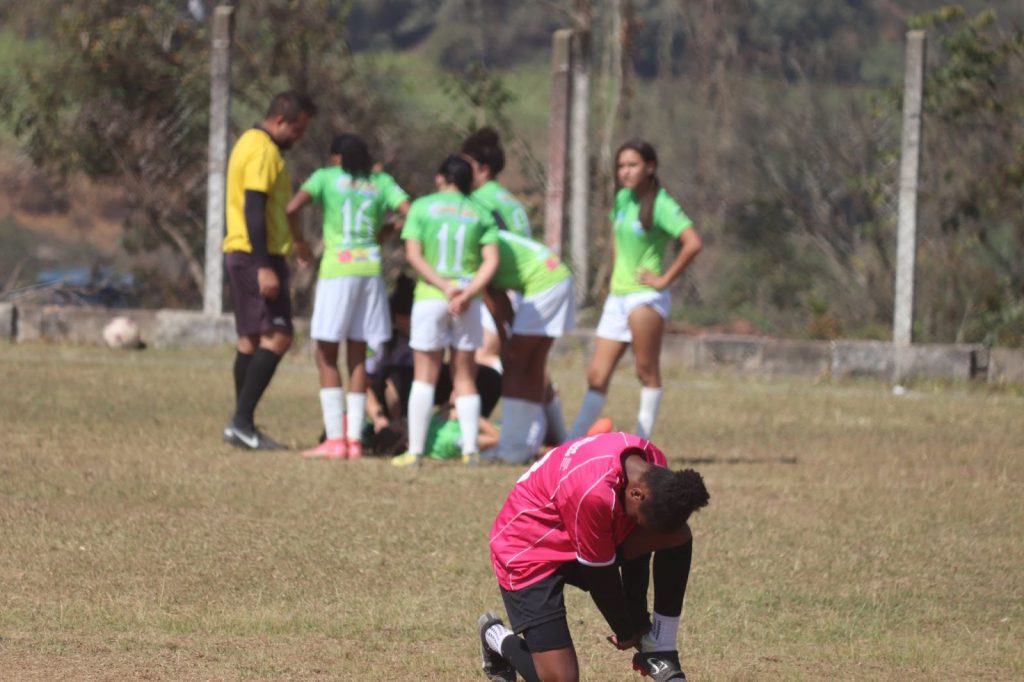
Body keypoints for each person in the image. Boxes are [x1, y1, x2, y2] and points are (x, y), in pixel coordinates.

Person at [477, 432, 710, 682]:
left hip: (580, 535)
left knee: (676, 535)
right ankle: (496, 636)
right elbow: (601, 576)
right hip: (527, 551)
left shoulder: (653, 466)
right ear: (636, 495)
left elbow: (638, 553)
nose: (639, 527)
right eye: (638, 519)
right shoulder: (594, 493)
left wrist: (641, 621)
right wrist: (626, 630)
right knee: (561, 679)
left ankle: (662, 646)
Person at [285, 133, 410, 460]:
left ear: (336, 157)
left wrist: (299, 243)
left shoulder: (326, 177)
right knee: (357, 353)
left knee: (326, 353)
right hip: (370, 271)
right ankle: (354, 440)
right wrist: (383, 232)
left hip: (338, 270)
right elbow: (407, 211)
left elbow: (292, 207)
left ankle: (335, 439)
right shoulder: (380, 182)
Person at [568, 140, 702, 442]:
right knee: (596, 376)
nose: (624, 172)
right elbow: (617, 239)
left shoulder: (663, 204)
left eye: (632, 165)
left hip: (645, 299)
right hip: (618, 297)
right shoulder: (622, 199)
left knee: (645, 370)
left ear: (650, 167)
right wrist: (616, 274)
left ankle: (642, 442)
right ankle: (571, 443)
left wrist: (665, 278)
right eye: (621, 166)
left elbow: (693, 242)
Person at [461, 127, 571, 447]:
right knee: (528, 363)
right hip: (526, 280)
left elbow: (489, 253)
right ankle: (546, 435)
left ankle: (523, 440)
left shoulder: (477, 201)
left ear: (481, 168)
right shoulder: (510, 200)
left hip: (506, 281)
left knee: (509, 359)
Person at [222, 91, 317, 450]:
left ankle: (240, 425)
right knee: (278, 336)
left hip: (243, 251)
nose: (299, 137)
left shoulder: (248, 142)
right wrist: (264, 266)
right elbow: (254, 209)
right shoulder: (262, 149)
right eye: (297, 129)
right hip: (253, 255)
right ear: (280, 120)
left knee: (250, 339)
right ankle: (241, 422)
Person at [392, 155, 500, 467]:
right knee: (465, 375)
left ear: (441, 178)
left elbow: (413, 255)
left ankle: (414, 451)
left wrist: (443, 286)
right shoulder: (480, 211)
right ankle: (470, 451)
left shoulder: (422, 207)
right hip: (467, 300)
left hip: (430, 296)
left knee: (424, 376)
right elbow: (490, 260)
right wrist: (466, 291)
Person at [483, 229, 575, 465]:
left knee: (515, 365)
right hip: (557, 276)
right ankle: (527, 445)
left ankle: (511, 449)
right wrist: (507, 337)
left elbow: (492, 298)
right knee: (533, 366)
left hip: (543, 283)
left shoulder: (471, 242)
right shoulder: (484, 232)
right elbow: (498, 294)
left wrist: (506, 343)